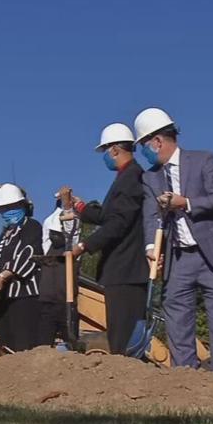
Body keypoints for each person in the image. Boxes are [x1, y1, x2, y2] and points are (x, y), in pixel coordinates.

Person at [136, 107, 213, 376]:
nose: (142, 152)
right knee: (177, 318)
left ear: (157, 141)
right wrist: (151, 248)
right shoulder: (150, 178)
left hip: (212, 255)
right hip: (177, 258)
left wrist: (187, 203)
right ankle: (186, 380)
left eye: (143, 146)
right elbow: (150, 216)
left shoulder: (203, 160)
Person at [63, 122, 148, 354]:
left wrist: (84, 245)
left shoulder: (132, 177)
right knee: (118, 335)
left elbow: (118, 223)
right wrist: (80, 207)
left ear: (114, 150)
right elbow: (107, 216)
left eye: (105, 152)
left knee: (123, 338)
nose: (105, 157)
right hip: (120, 270)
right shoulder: (125, 178)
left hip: (126, 270)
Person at [0, 183, 46, 352]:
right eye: (4, 208)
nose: (8, 211)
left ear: (22, 205)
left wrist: (3, 276)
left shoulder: (32, 226)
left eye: (12, 206)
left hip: (26, 296)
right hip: (5, 299)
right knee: (5, 345)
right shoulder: (5, 234)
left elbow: (29, 253)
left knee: (23, 346)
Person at [37, 196, 79, 346]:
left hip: (67, 303)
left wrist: (67, 203)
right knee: (42, 346)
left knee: (72, 344)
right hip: (47, 303)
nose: (56, 236)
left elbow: (72, 231)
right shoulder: (47, 246)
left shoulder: (72, 249)